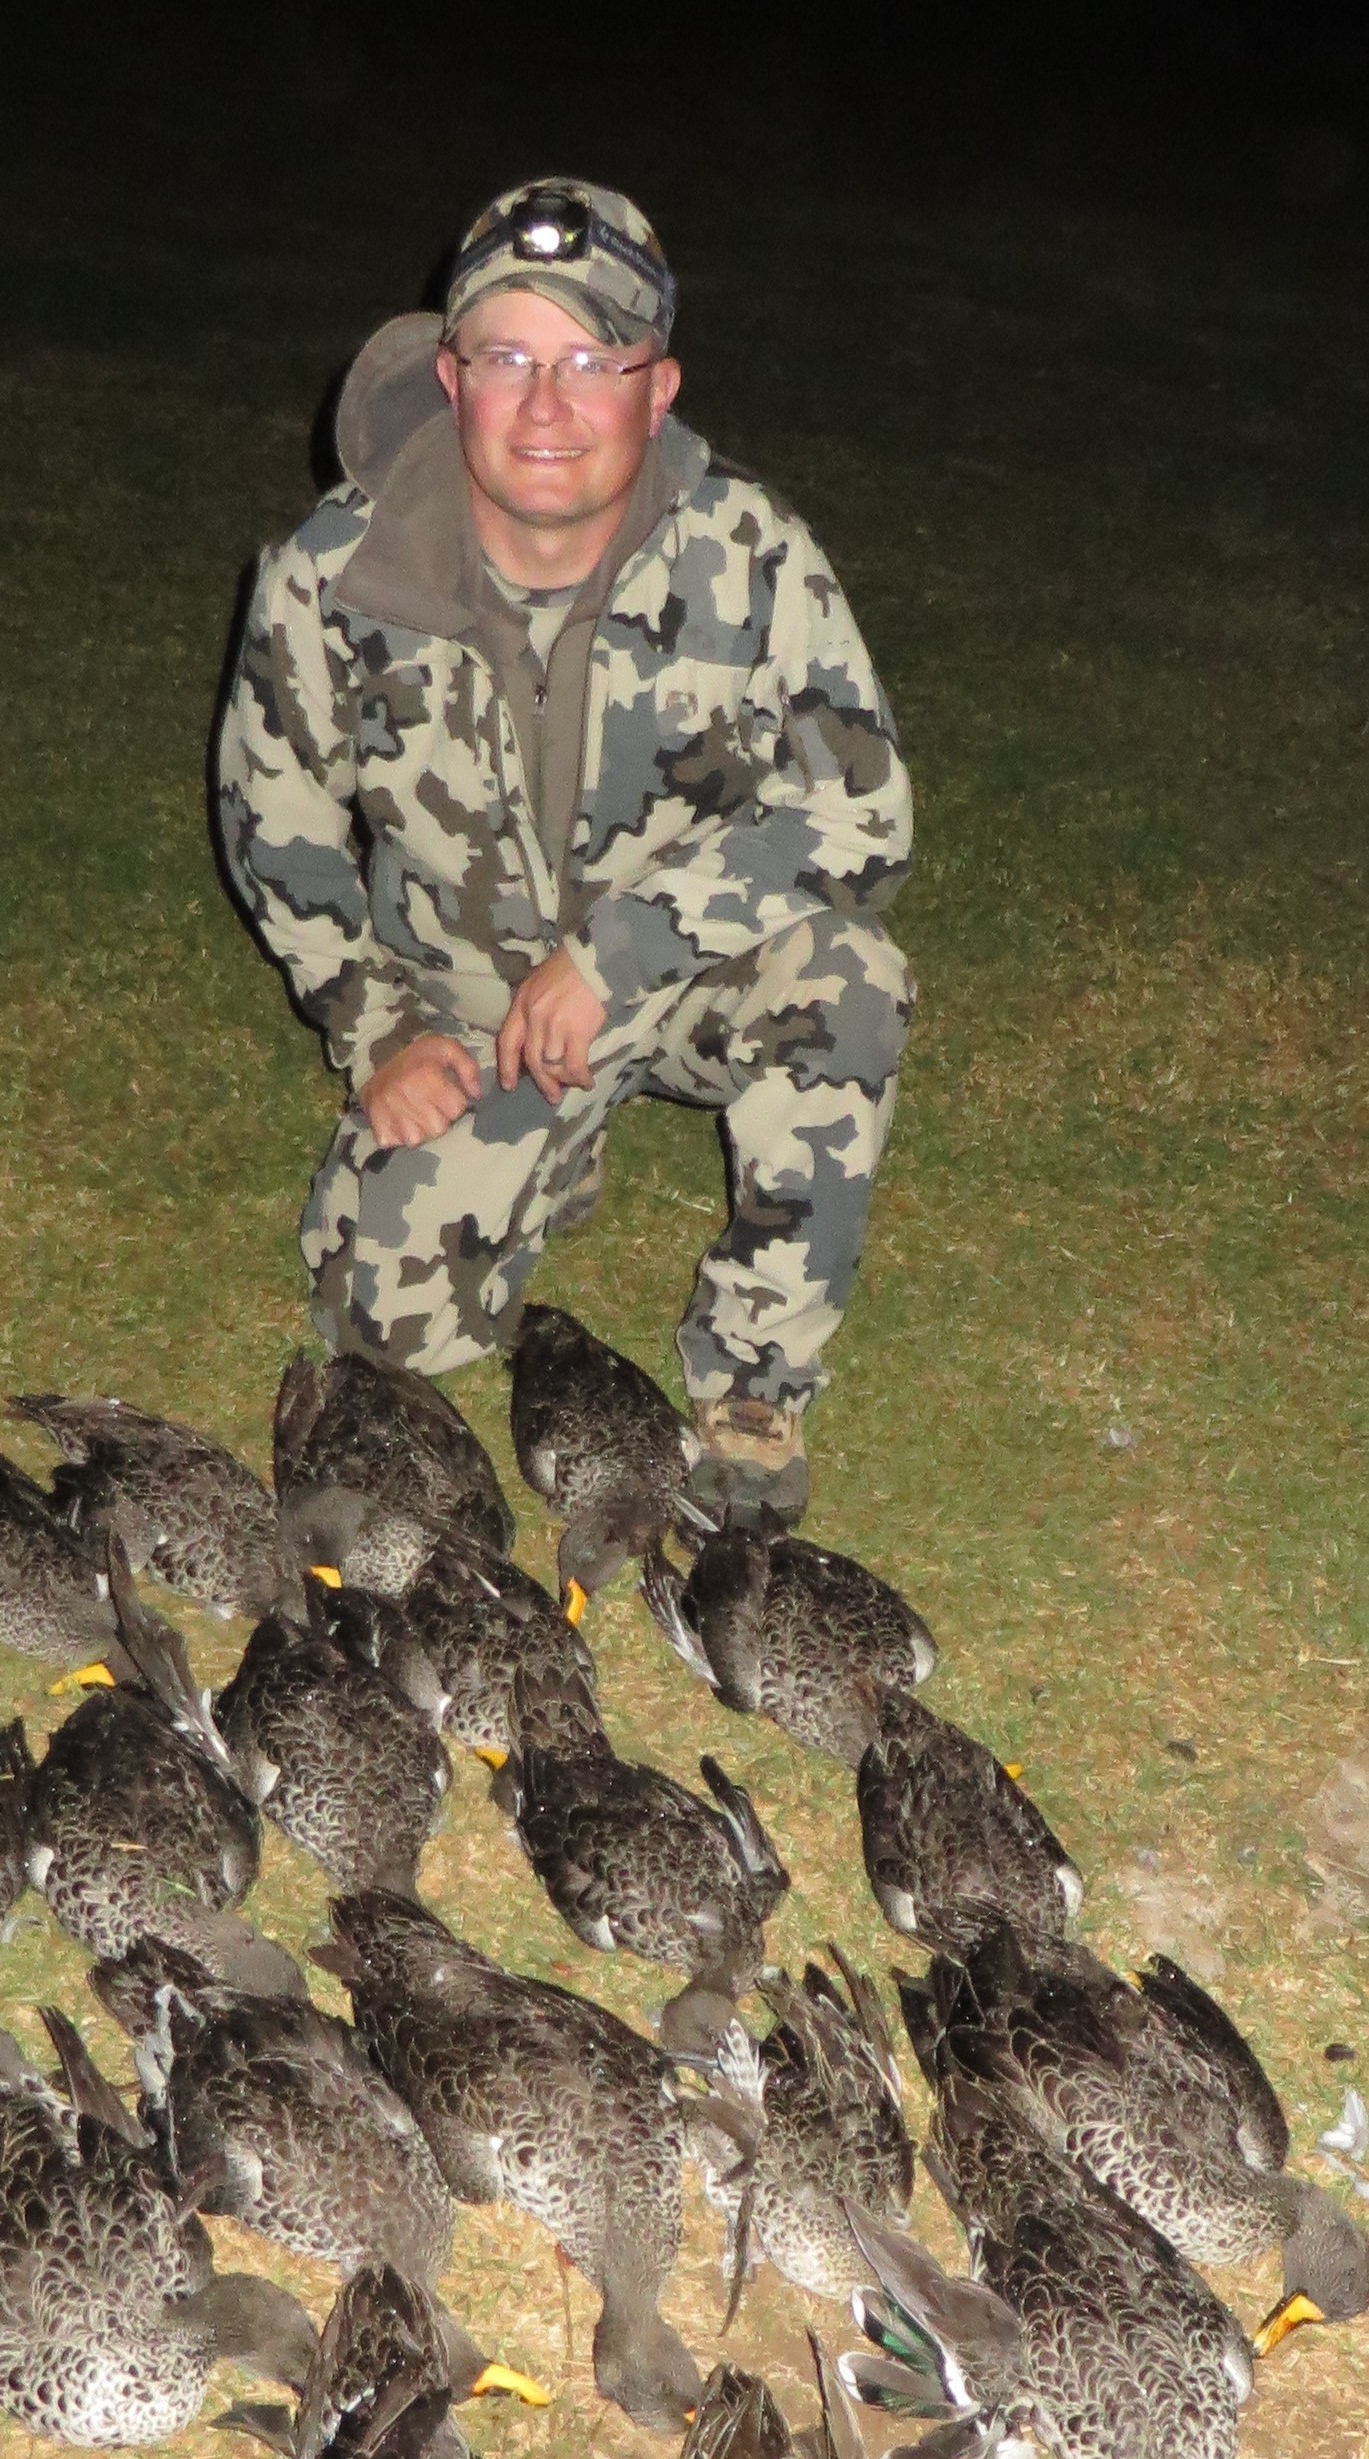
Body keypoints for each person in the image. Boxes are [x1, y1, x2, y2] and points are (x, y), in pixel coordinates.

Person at [215, 177, 914, 1526]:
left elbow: (864, 810)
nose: (548, 405)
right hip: (473, 1010)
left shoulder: (755, 557)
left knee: (848, 975)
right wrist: (374, 1026)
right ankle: (556, 1145)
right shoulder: (330, 575)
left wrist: (624, 950)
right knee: (384, 1325)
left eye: (594, 361)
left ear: (658, 392)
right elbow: (275, 811)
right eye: (510, 358)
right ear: (451, 374)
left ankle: (756, 1376)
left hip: (692, 974)